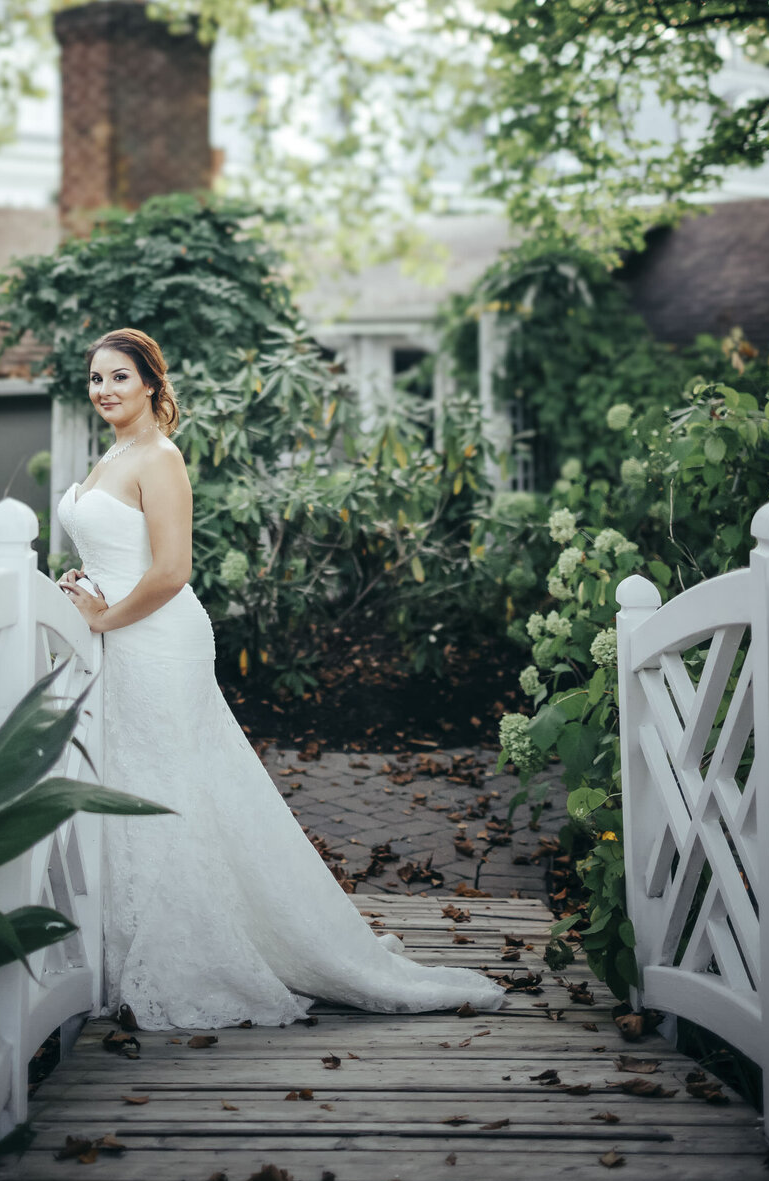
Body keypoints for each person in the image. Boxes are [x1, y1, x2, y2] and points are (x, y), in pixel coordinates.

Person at [57, 326, 503, 1031]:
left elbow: (171, 571)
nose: (105, 389)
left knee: (173, 789)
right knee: (140, 781)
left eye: (119, 377)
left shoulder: (160, 457)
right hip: (122, 635)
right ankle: (131, 944)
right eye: (96, 378)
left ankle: (198, 955)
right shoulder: (112, 455)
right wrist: (86, 585)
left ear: (150, 384)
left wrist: (103, 618)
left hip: (158, 640)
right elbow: (122, 552)